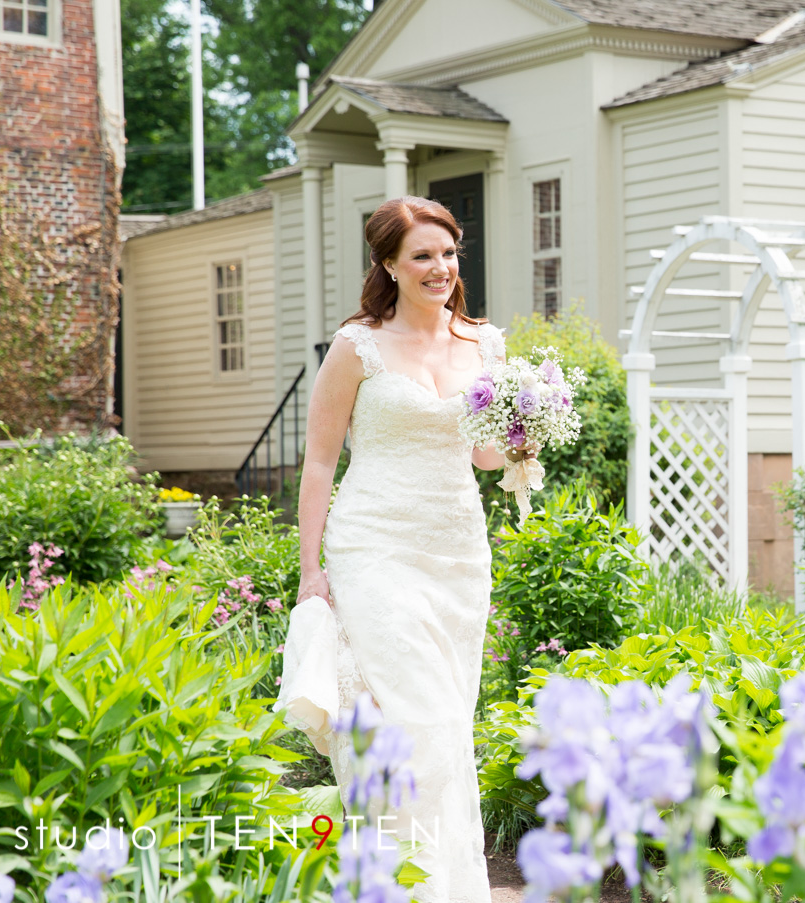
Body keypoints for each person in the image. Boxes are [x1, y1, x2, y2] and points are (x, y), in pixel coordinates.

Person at [292, 195, 504, 902]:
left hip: (457, 557)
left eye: (448, 252)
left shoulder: (484, 343)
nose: (440, 267)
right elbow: (320, 461)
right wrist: (310, 572)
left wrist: (525, 435)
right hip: (374, 547)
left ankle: (442, 884)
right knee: (416, 717)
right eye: (422, 255)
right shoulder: (358, 346)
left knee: (448, 726)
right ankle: (399, 884)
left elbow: (484, 455)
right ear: (389, 263)